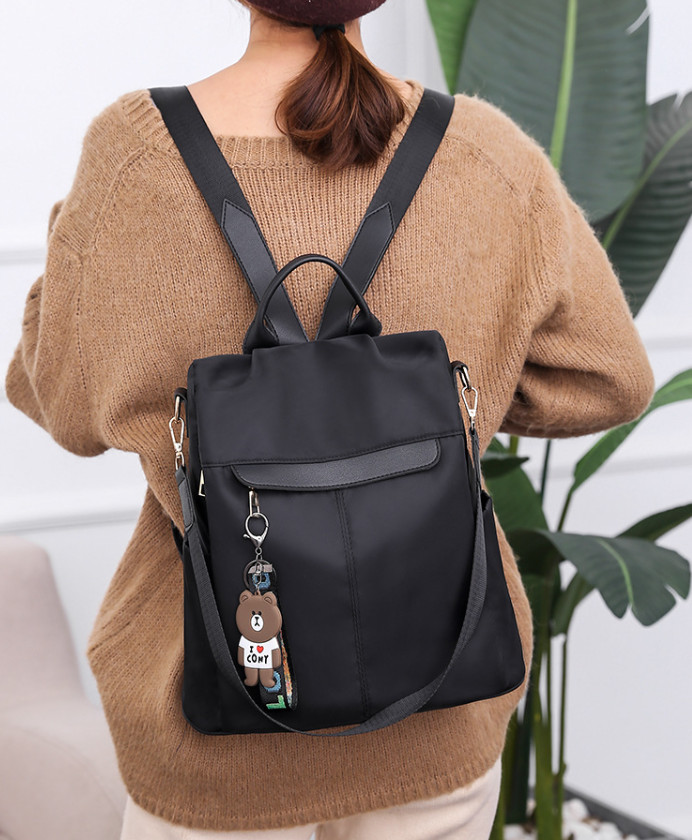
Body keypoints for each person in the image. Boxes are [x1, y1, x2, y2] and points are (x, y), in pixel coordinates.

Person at [5, 0, 655, 837]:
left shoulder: (133, 158)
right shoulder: (487, 156)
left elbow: (58, 402)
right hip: (440, 709)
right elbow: (611, 379)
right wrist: (452, 403)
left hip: (216, 738)